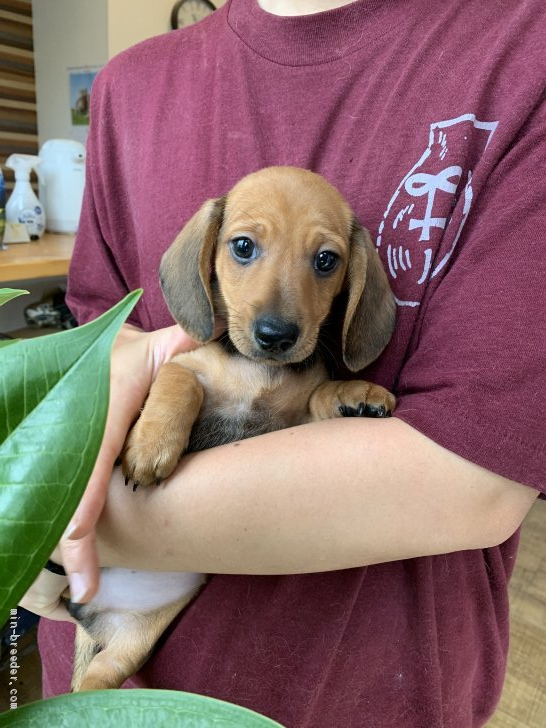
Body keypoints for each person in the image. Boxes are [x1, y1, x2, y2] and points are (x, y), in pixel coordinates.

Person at [21, 0, 545, 725]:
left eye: (323, 263)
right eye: (245, 249)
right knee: (97, 674)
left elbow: (476, 476)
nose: (278, 313)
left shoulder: (524, 48)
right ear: (208, 254)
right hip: (94, 636)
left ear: (353, 278)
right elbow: (99, 343)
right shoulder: (127, 86)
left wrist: (40, 516)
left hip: (375, 697)